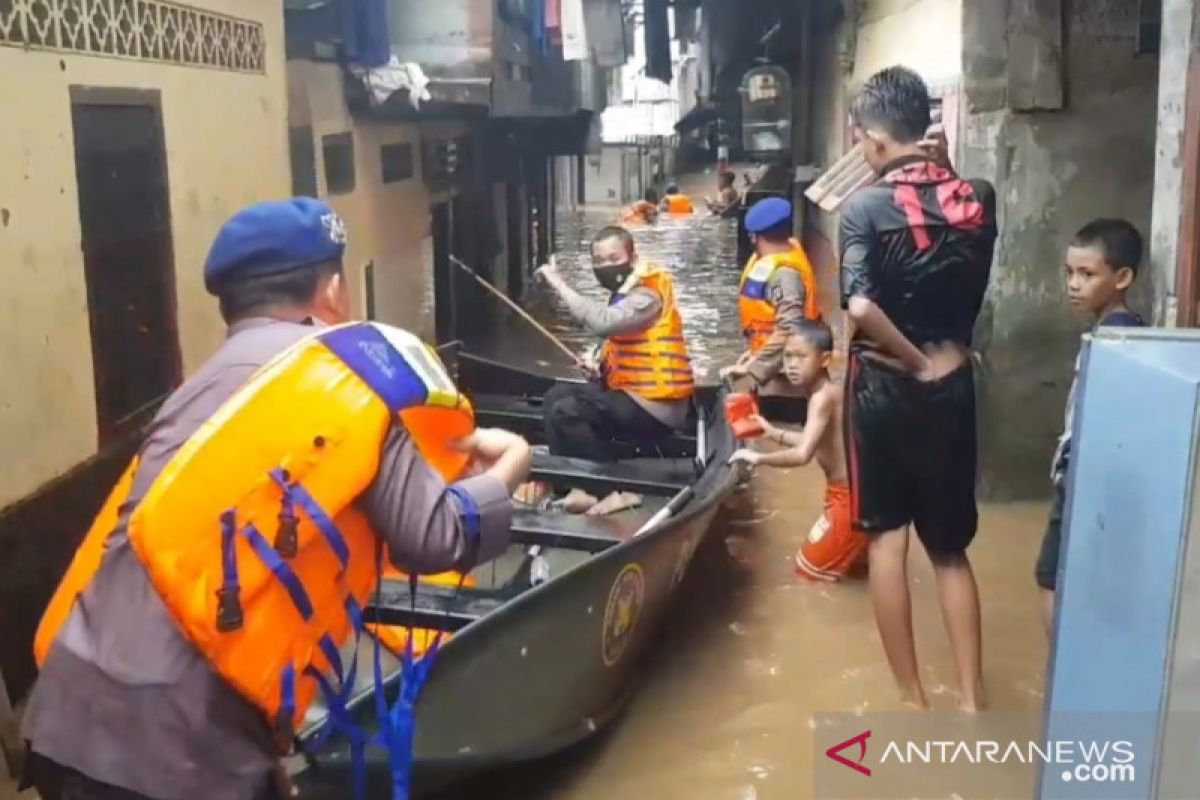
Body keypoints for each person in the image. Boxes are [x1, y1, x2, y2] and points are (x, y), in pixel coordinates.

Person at [20, 198, 533, 800]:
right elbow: (437, 536)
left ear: (228, 306)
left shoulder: (191, 397)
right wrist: (509, 466)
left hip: (65, 717)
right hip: (183, 753)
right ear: (335, 291)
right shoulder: (352, 388)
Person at [840, 66, 997, 711]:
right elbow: (952, 209)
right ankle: (973, 697)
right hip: (956, 382)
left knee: (888, 539)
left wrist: (907, 358)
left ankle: (912, 700)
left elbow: (857, 308)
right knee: (951, 550)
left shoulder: (864, 208)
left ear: (875, 141)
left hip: (885, 386)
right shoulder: (979, 195)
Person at [535, 227, 696, 513]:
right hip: (631, 396)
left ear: (632, 257)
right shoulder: (623, 296)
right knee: (554, 396)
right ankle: (575, 485)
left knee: (567, 411)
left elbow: (604, 322)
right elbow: (623, 349)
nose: (606, 266)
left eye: (613, 258)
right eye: (599, 261)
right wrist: (599, 368)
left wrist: (558, 283)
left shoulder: (647, 295)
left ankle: (615, 490)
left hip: (656, 409)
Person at [1036, 219, 1145, 636]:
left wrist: (1068, 474)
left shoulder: (1114, 343)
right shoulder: (1122, 332)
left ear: (1122, 278)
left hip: (1083, 482)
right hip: (1096, 482)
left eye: (1087, 274)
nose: (1074, 285)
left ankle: (1063, 675)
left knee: (1050, 580)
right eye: (1070, 273)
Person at [729, 321, 869, 582]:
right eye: (788, 356)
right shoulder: (828, 393)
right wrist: (772, 432)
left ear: (825, 359)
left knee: (807, 576)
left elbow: (804, 454)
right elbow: (816, 442)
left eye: (801, 357)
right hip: (858, 495)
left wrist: (758, 458)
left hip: (849, 500)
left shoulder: (821, 398)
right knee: (853, 574)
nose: (791, 365)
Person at [720, 197, 821, 424]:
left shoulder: (784, 274)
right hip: (775, 373)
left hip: (786, 384)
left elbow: (790, 328)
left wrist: (752, 371)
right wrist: (754, 353)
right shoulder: (784, 255)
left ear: (754, 237)